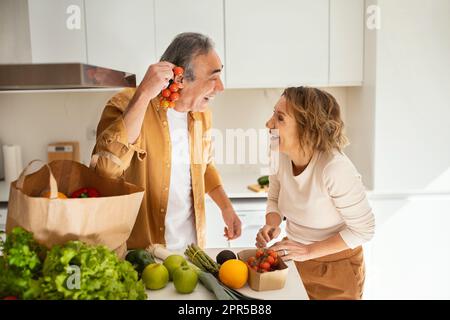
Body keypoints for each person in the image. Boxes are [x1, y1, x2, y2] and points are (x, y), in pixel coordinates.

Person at [91, 32, 241, 251]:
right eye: (213, 77)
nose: (220, 87)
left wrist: (226, 208)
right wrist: (143, 95)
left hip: (192, 250)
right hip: (141, 254)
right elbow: (105, 171)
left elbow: (204, 166)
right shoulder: (126, 104)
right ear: (180, 79)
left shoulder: (201, 114)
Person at [255, 86, 375, 299]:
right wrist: (272, 223)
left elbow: (364, 230)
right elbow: (274, 196)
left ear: (307, 128)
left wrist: (308, 251)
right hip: (295, 263)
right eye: (274, 114)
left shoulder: (334, 168)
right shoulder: (278, 154)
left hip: (337, 269)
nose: (268, 123)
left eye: (280, 118)